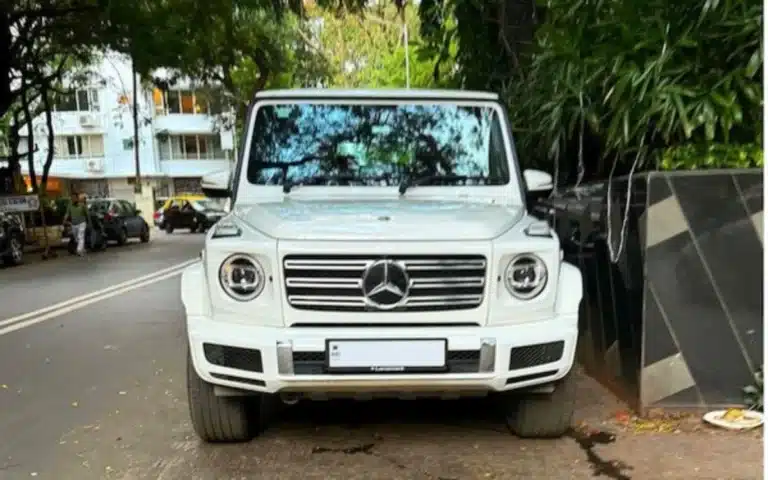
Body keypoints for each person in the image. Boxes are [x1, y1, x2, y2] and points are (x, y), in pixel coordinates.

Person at [64, 192, 91, 256]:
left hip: (82, 223)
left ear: (77, 198)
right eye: (72, 198)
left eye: (74, 197)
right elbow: (67, 213)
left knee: (80, 236)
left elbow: (87, 214)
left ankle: (79, 250)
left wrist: (89, 222)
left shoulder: (82, 205)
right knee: (76, 238)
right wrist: (64, 219)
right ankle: (82, 249)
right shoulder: (70, 205)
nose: (73, 199)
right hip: (74, 224)